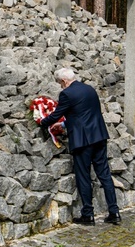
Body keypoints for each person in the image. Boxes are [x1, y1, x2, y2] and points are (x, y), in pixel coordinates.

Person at [39, 68, 121, 225]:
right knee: (104, 174)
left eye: (60, 83)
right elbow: (83, 112)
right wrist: (64, 124)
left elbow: (57, 114)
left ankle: (88, 215)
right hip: (99, 136)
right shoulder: (89, 89)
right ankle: (114, 212)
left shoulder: (67, 94)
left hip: (83, 140)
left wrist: (42, 122)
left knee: (83, 176)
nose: (61, 87)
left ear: (63, 81)